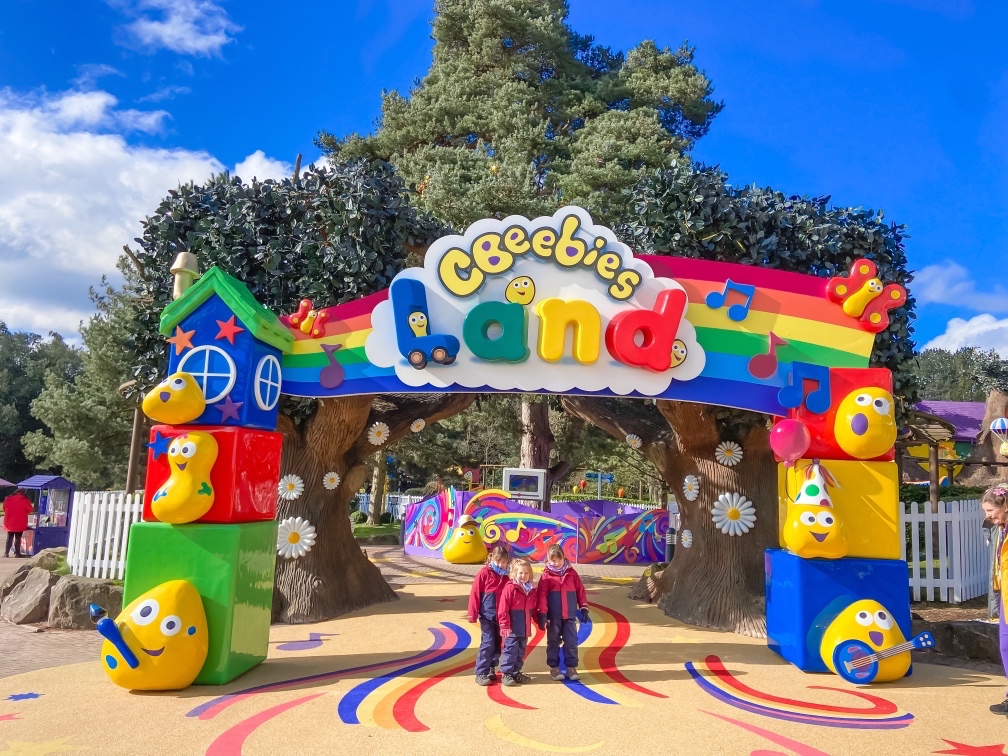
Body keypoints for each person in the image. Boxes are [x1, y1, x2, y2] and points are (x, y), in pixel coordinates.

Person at [536, 543, 588, 681]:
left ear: (564, 558)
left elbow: (580, 591)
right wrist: (542, 614)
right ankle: (554, 667)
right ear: (548, 559)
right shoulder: (546, 577)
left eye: (559, 559)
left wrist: (583, 607)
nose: (557, 563)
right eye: (553, 560)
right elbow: (541, 596)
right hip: (554, 617)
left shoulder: (571, 573)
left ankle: (571, 667)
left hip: (569, 616)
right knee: (553, 642)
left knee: (571, 641)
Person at [467, 545, 510, 686]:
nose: (501, 565)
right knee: (488, 643)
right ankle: (481, 672)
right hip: (487, 616)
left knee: (498, 643)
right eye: (498, 561)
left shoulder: (508, 575)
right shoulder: (484, 573)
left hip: (502, 617)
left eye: (503, 562)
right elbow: (475, 594)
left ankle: (491, 666)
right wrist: (472, 613)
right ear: (492, 558)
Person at [983, 485, 1008, 715]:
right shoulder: (1000, 529)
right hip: (1006, 599)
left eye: (990, 510)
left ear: (1005, 506)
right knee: (1006, 646)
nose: (988, 516)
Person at [497, 557, 540, 687]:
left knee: (521, 652)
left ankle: (516, 671)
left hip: (524, 628)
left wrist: (541, 619)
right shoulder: (510, 588)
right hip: (511, 629)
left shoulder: (531, 590)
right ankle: (507, 674)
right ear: (514, 573)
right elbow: (503, 608)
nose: (523, 576)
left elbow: (534, 608)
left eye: (526, 573)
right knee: (510, 651)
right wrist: (504, 624)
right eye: (520, 573)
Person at [2, 488, 34, 558]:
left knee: (9, 537)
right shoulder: (25, 500)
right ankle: (17, 553)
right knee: (18, 538)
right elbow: (30, 509)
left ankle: (6, 553)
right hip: (20, 521)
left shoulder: (8, 498)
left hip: (9, 521)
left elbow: (4, 508)